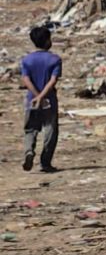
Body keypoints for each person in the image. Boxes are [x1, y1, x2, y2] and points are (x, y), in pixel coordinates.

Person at [20, 26, 61, 173]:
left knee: (31, 129)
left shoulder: (27, 60)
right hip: (49, 100)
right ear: (48, 40)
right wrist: (42, 96)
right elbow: (53, 80)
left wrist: (36, 96)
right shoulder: (55, 59)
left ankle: (29, 151)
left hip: (31, 100)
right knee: (50, 129)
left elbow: (26, 80)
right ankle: (45, 163)